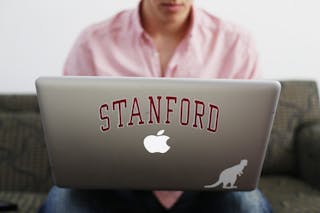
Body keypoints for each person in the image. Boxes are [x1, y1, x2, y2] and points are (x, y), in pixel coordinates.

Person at [39, 0, 271, 212]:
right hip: (115, 189)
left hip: (207, 191)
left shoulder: (237, 44)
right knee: (63, 201)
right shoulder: (92, 43)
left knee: (246, 203)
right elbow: (73, 133)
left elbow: (246, 137)